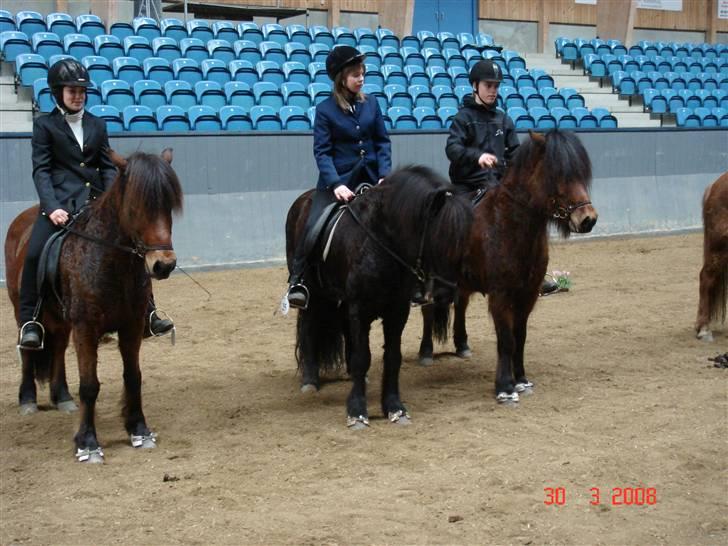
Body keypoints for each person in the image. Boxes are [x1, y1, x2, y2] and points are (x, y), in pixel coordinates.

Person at [17, 59, 174, 349]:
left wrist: (115, 201)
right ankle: (33, 320)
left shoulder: (96, 125)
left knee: (135, 249)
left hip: (94, 203)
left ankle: (149, 311)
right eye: (71, 90)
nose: (78, 95)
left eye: (82, 90)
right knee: (34, 254)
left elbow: (107, 168)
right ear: (57, 93)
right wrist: (51, 207)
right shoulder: (44, 126)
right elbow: (41, 170)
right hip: (59, 205)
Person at [286, 45, 392, 309]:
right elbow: (322, 153)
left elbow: (382, 142)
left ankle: (410, 281)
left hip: (372, 178)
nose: (361, 78)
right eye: (355, 74)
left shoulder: (372, 104)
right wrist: (336, 184)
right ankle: (297, 280)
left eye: (363, 73)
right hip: (338, 183)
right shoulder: (325, 110)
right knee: (312, 226)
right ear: (341, 78)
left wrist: (384, 175)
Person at [445, 59, 560, 296]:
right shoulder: (463, 118)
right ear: (475, 86)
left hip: (496, 185)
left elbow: (515, 154)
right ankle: (443, 274)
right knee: (452, 222)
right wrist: (477, 157)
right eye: (488, 85)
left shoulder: (504, 120)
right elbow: (452, 149)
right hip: (466, 186)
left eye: (496, 86)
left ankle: (531, 273)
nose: (493, 90)